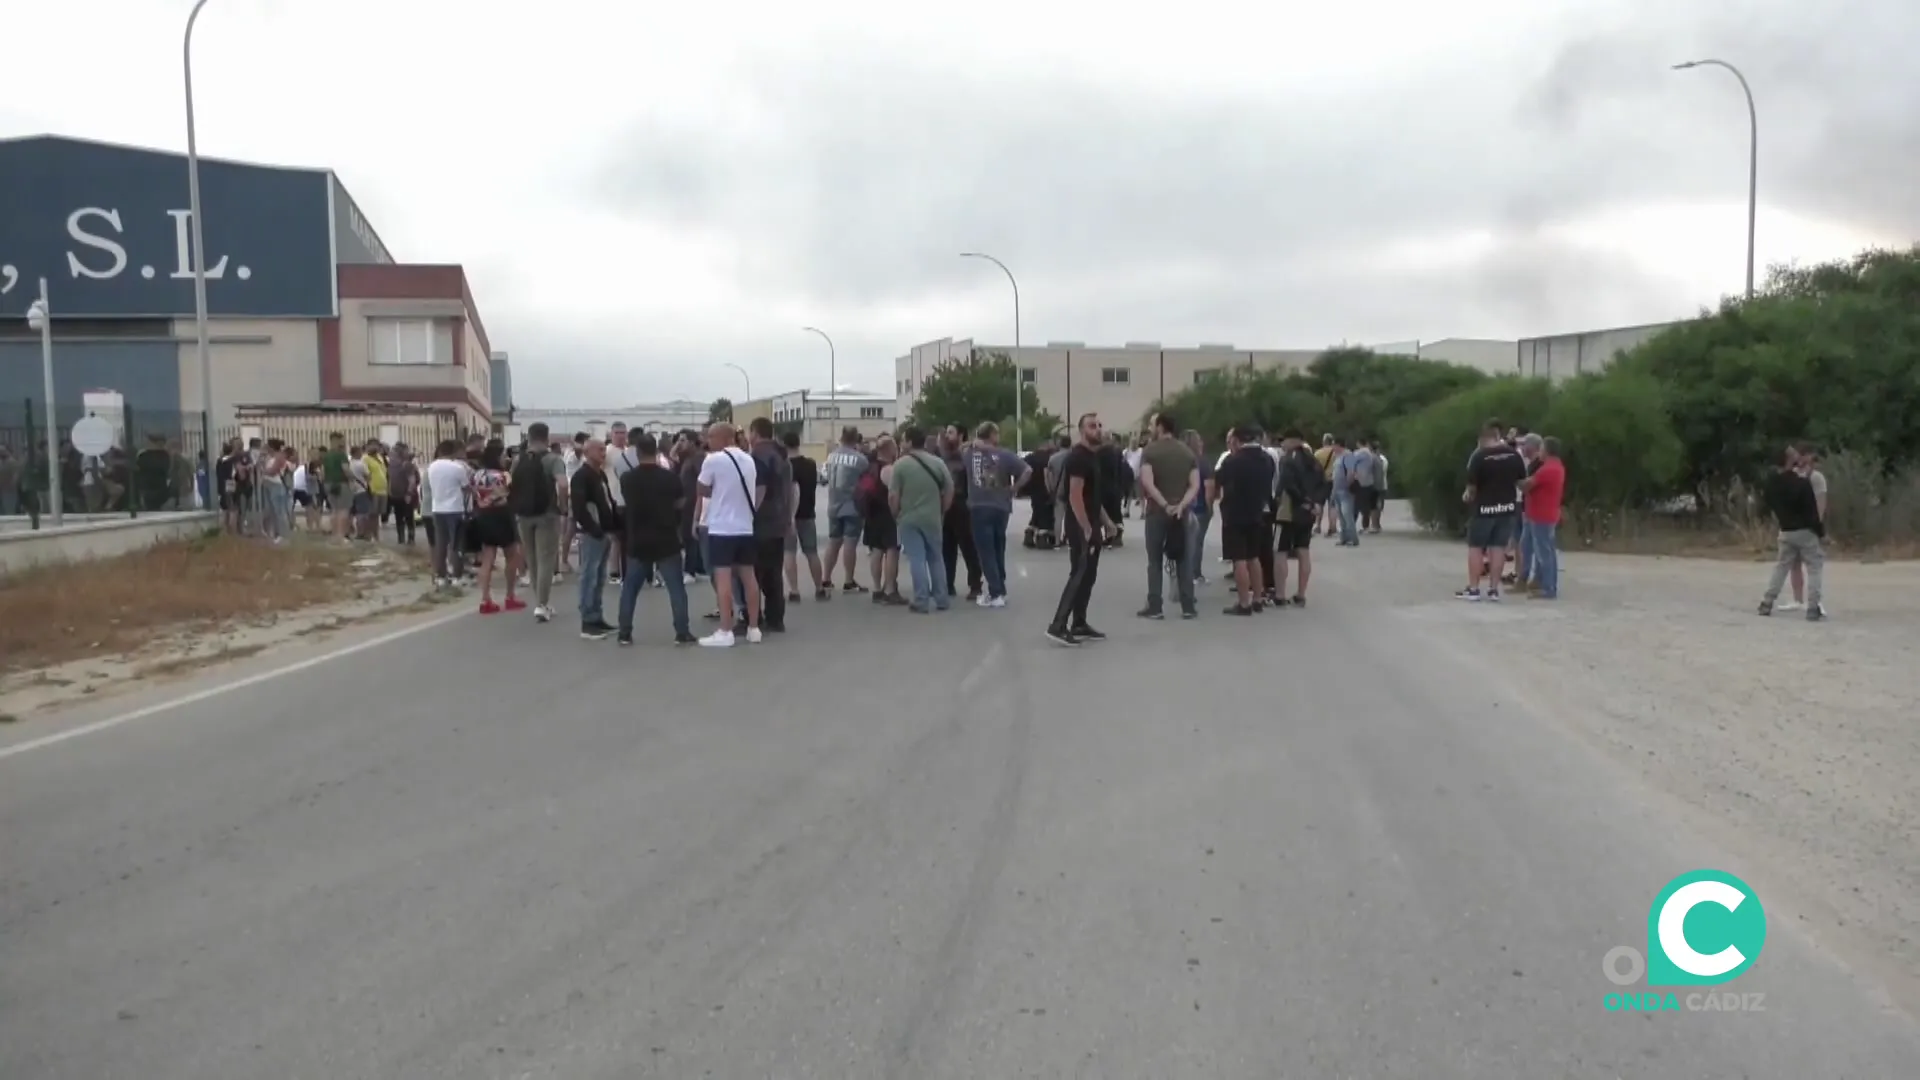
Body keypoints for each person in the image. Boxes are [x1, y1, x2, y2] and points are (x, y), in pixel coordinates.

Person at [616, 432, 696, 645]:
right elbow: (680, 503)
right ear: (656, 450)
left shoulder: (627, 479)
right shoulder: (670, 478)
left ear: (638, 452)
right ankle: (682, 631)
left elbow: (625, 502)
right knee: (676, 588)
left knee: (630, 589)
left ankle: (624, 632)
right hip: (666, 537)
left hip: (638, 539)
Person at [694, 421, 765, 647]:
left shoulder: (713, 460)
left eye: (711, 437)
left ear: (724, 438)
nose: (708, 442)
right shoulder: (748, 459)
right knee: (749, 577)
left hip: (722, 528)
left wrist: (718, 490)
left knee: (723, 579)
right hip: (745, 527)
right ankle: (754, 627)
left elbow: (701, 489)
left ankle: (726, 630)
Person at [1046, 413, 1115, 645]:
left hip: (1091, 521)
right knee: (1080, 572)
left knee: (1089, 575)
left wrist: (1106, 522)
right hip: (1079, 523)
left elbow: (1091, 496)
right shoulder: (1077, 457)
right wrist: (1085, 526)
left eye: (1099, 425)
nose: (1098, 429)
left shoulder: (1092, 457)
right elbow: (1075, 495)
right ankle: (1058, 624)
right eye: (1092, 426)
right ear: (1081, 430)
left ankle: (1079, 622)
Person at [1136, 411, 1199, 620]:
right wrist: (1180, 505)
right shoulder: (1187, 453)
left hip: (1157, 512)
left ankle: (1155, 605)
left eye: (1153, 425)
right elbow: (1194, 485)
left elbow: (1147, 482)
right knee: (1183, 558)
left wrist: (1164, 504)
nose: (1151, 429)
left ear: (1161, 427)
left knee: (1154, 560)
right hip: (1181, 514)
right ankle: (1188, 606)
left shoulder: (1150, 451)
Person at [1458, 421, 1527, 601]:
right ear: (1498, 437)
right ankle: (1493, 590)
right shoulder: (1514, 455)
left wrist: (1467, 497)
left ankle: (1474, 589)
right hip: (1507, 508)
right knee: (1498, 548)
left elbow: (1471, 488)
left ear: (1483, 439)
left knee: (1476, 548)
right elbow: (1521, 483)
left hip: (1484, 509)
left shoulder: (1479, 457)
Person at [963, 421, 1030, 608]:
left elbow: (956, 449)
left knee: (986, 552)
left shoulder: (969, 454)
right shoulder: (1005, 454)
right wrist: (1014, 488)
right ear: (992, 435)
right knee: (998, 548)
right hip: (1001, 506)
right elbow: (1027, 470)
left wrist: (972, 444)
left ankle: (995, 592)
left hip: (979, 506)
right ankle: (1000, 588)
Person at [1758, 444, 1827, 621]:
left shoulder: (1772, 484)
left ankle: (1767, 601)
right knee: (1814, 567)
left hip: (1786, 529)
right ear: (1789, 459)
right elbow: (1812, 512)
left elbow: (1767, 504)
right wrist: (1820, 532)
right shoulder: (1802, 484)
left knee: (1781, 567)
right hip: (1805, 531)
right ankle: (1813, 606)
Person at [510, 422, 569, 623]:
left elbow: (512, 483)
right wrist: (563, 506)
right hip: (547, 514)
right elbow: (563, 484)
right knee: (546, 559)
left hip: (523, 514)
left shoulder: (518, 459)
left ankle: (540, 602)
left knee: (532, 558)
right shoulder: (553, 459)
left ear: (529, 437)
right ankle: (542, 605)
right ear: (547, 437)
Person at [891, 426, 955, 613]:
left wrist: (896, 513)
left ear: (910, 442)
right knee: (936, 558)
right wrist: (943, 509)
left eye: (903, 440)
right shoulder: (938, 463)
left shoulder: (900, 465)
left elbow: (893, 495)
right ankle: (942, 599)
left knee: (917, 559)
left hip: (909, 518)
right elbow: (949, 488)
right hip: (933, 517)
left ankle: (921, 600)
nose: (901, 443)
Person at [1215, 426, 1276, 616]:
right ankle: (1257, 598)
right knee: (1254, 557)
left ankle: (1244, 603)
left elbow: (1219, 481)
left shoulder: (1233, 461)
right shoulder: (1267, 459)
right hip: (1257, 512)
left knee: (1239, 559)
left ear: (1237, 440)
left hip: (1235, 513)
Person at [747, 418, 794, 633]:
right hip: (779, 520)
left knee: (755, 573)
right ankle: (776, 618)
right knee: (774, 572)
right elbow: (790, 491)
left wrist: (749, 514)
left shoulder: (757, 456)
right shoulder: (783, 456)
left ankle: (753, 617)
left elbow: (759, 489)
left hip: (761, 521)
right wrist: (788, 518)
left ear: (755, 433)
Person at [468, 439, 525, 614]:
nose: (505, 458)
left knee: (487, 558)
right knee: (512, 555)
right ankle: (510, 595)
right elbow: (511, 493)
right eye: (502, 455)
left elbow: (473, 493)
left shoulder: (476, 474)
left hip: (483, 514)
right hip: (501, 514)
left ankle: (485, 599)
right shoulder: (503, 476)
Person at [571, 438, 618, 639]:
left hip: (604, 531)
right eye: (599, 450)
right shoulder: (581, 476)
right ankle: (588, 621)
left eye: (603, 450)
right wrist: (593, 529)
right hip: (592, 533)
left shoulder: (600, 474)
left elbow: (607, 501)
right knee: (589, 575)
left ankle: (597, 616)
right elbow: (579, 508)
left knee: (599, 576)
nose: (603, 453)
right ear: (587, 452)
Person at [1274, 429, 1322, 607]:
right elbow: (1323, 484)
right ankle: (1301, 594)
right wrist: (1315, 503)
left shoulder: (1287, 460)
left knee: (1281, 551)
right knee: (1303, 550)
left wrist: (1302, 501)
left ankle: (1280, 594)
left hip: (1287, 512)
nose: (1282, 444)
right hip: (1308, 514)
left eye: (1284, 440)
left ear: (1292, 440)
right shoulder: (1313, 460)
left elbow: (1287, 483)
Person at [820, 426, 869, 594]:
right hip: (852, 506)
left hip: (833, 504)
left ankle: (826, 578)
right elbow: (867, 483)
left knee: (833, 541)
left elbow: (824, 479)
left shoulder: (831, 457)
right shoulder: (860, 460)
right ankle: (848, 580)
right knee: (850, 542)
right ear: (855, 439)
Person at [940, 425, 984, 602]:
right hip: (946, 505)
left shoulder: (968, 455)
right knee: (947, 547)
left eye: (951, 432)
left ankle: (975, 584)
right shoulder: (944, 456)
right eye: (946, 432)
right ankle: (947, 583)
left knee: (968, 547)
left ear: (961, 435)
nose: (947, 436)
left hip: (963, 505)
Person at [1519, 435, 1565, 599]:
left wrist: (1515, 479)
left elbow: (1527, 485)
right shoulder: (1556, 467)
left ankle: (1548, 588)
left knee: (1544, 553)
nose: (1540, 452)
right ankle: (1547, 585)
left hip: (1541, 516)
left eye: (1542, 448)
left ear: (1547, 450)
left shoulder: (1547, 469)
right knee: (1548, 551)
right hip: (1546, 514)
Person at [782, 431, 827, 601]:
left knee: (789, 553)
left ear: (784, 445)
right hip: (808, 514)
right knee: (811, 552)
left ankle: (794, 591)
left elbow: (793, 491)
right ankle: (819, 587)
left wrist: (790, 516)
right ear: (798, 443)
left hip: (789, 516)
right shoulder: (810, 464)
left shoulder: (785, 466)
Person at [424, 439, 470, 586]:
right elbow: (466, 487)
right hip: (455, 509)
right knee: (456, 544)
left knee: (441, 544)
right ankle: (457, 576)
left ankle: (441, 576)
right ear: (454, 451)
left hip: (437, 509)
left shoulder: (431, 467)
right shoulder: (458, 468)